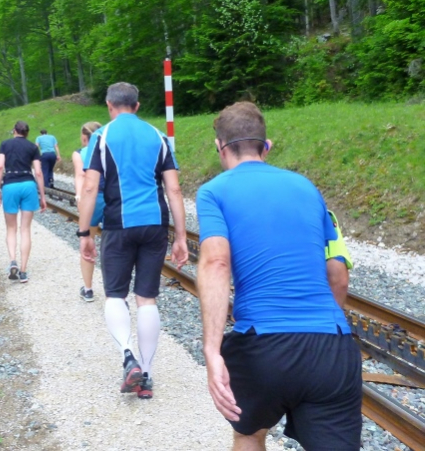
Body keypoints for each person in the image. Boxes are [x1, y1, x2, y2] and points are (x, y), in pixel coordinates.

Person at [195, 101, 361, 451]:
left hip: (262, 347)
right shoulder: (307, 188)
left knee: (250, 433)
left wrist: (212, 350)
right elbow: (338, 275)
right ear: (266, 146)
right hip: (332, 347)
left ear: (220, 147)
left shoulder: (214, 192)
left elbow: (216, 263)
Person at [77, 82, 189, 399]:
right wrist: (181, 237)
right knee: (147, 298)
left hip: (118, 225)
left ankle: (128, 357)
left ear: (109, 105)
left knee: (115, 295)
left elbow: (90, 188)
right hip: (155, 225)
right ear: (137, 106)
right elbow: (174, 189)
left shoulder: (102, 137)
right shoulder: (158, 136)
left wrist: (85, 233)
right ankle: (147, 375)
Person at [0, 121, 47, 283]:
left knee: (11, 228)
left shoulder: (5, 144)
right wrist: (42, 196)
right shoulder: (33, 147)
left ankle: (12, 261)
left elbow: (0, 167)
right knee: (25, 229)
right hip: (28, 185)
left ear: (14, 131)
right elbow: (38, 172)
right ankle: (23, 271)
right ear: (27, 133)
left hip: (10, 185)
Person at [72, 121, 104, 302]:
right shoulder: (108, 149)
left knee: (87, 241)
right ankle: (114, 289)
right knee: (112, 243)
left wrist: (79, 197)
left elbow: (80, 175)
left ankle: (88, 289)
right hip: (110, 198)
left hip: (92, 199)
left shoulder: (80, 153)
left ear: (84, 137)